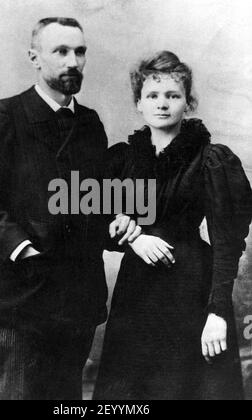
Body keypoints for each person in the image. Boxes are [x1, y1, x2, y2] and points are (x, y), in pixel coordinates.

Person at [0, 17, 137, 400]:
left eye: (80, 51)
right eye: (61, 51)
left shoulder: (89, 124)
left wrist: (117, 222)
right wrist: (24, 250)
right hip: (22, 301)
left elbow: (91, 204)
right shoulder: (4, 116)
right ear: (34, 58)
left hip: (78, 304)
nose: (73, 61)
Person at [94, 51, 252, 400]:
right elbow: (87, 215)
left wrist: (218, 312)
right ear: (138, 102)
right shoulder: (122, 159)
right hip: (136, 293)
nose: (162, 104)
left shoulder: (211, 159)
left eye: (173, 95)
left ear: (188, 102)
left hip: (192, 289)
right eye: (152, 95)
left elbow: (227, 243)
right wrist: (134, 238)